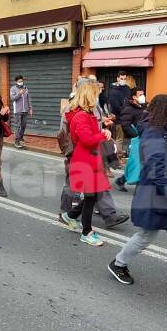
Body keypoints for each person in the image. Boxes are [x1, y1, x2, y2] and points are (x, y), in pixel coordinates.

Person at [107, 94, 167, 298]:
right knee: (146, 236)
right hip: (158, 196)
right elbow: (156, 170)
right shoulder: (154, 133)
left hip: (165, 194)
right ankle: (119, 264)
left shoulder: (165, 132)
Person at [60, 82, 111, 246]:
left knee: (94, 195)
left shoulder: (86, 114)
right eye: (96, 94)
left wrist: (102, 131)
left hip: (90, 158)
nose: (98, 97)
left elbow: (91, 135)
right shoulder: (81, 116)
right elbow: (87, 139)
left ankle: (71, 215)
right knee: (90, 197)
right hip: (85, 160)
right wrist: (103, 135)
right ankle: (86, 232)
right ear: (89, 96)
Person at [9, 74, 32, 148]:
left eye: (21, 81)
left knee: (23, 125)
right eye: (19, 81)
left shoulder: (25, 88)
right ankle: (16, 141)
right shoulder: (13, 88)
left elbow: (28, 99)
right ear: (16, 81)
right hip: (17, 110)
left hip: (25, 110)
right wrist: (20, 93)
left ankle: (21, 137)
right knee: (17, 126)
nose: (21, 82)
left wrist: (30, 108)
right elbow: (12, 98)